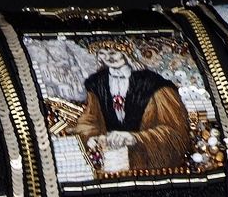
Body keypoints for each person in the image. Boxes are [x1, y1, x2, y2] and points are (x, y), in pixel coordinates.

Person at [67, 38, 194, 173]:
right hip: (111, 162)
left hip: (145, 165)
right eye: (102, 53)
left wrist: (135, 138)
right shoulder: (96, 84)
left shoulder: (155, 84)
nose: (108, 58)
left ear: (126, 53)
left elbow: (176, 134)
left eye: (113, 53)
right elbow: (89, 119)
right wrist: (91, 137)